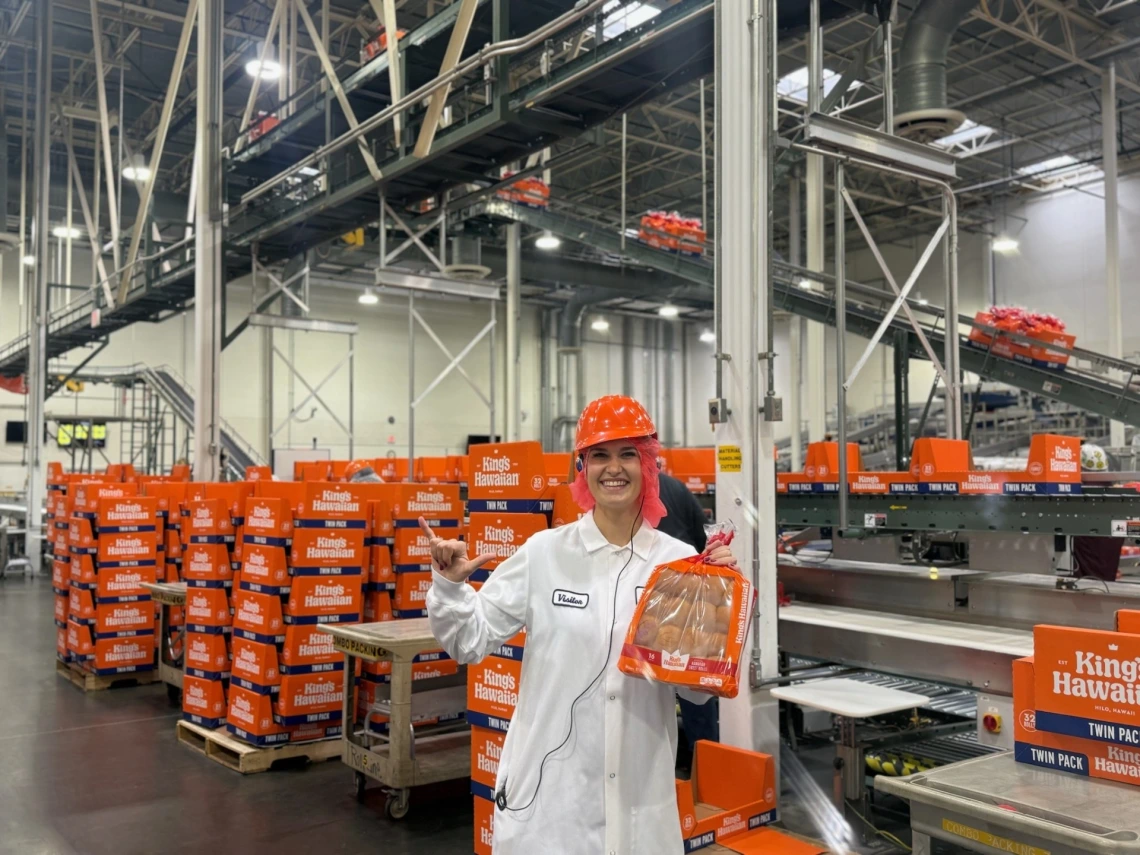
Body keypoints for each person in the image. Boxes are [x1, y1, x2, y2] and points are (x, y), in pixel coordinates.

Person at [424, 395, 737, 855]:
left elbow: (695, 690)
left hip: (639, 802)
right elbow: (469, 641)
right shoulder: (545, 552)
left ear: (648, 465)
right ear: (583, 467)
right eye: (600, 455)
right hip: (550, 803)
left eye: (629, 454)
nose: (615, 468)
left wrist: (716, 603)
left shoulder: (677, 563)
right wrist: (450, 590)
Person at [655, 470, 720, 762]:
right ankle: (704, 760)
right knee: (692, 678)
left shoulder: (666, 489)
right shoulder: (676, 487)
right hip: (685, 599)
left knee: (685, 681)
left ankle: (700, 758)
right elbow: (701, 539)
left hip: (666, 602)